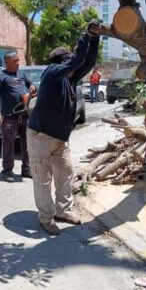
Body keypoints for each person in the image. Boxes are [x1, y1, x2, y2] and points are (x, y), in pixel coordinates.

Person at [27, 22, 100, 235]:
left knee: (66, 173)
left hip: (59, 139)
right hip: (41, 137)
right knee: (43, 179)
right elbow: (77, 60)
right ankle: (46, 217)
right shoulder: (52, 73)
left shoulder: (69, 78)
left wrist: (95, 38)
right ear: (61, 63)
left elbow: (88, 61)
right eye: (69, 63)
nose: (74, 68)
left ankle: (63, 211)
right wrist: (86, 34)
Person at [0, 50, 35, 182]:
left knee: (27, 143)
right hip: (9, 116)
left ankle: (26, 169)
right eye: (15, 61)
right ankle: (8, 171)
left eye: (18, 60)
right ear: (7, 62)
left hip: (24, 114)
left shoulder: (21, 74)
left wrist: (32, 87)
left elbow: (30, 83)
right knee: (8, 144)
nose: (18, 63)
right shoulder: (0, 76)